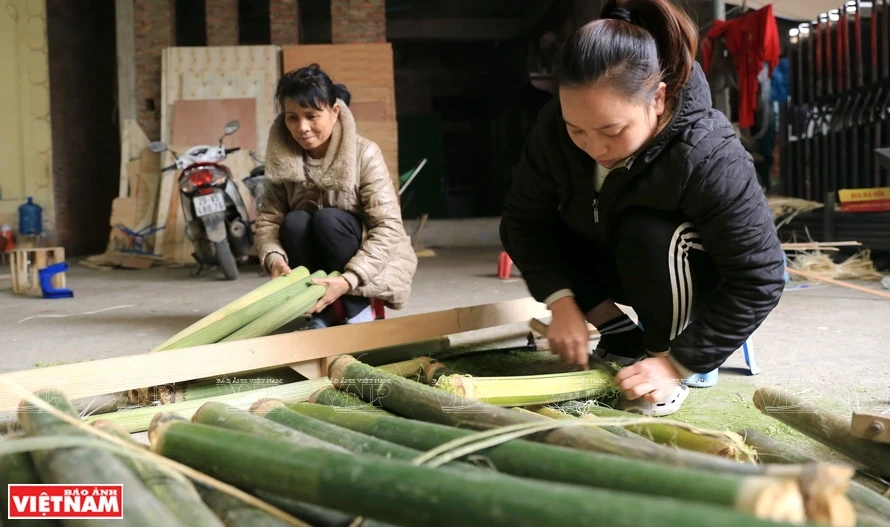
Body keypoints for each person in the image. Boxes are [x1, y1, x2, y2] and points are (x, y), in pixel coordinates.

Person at [499, 0, 786, 416]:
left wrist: (675, 363)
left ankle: (664, 351)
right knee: (543, 224)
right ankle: (622, 336)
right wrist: (562, 303)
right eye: (576, 129)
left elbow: (762, 275)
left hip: (684, 273)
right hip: (612, 258)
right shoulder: (554, 129)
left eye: (611, 131)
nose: (594, 148)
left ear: (658, 99)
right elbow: (523, 221)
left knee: (648, 232)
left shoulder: (708, 152)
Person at [255, 64, 417, 329]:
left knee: (328, 220)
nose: (302, 128)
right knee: (294, 221)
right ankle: (321, 309)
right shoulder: (284, 156)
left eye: (312, 115)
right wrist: (274, 258)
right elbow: (269, 220)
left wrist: (349, 279)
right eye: (292, 117)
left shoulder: (365, 153)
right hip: (318, 260)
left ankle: (360, 312)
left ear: (334, 112)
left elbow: (388, 227)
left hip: (366, 264)